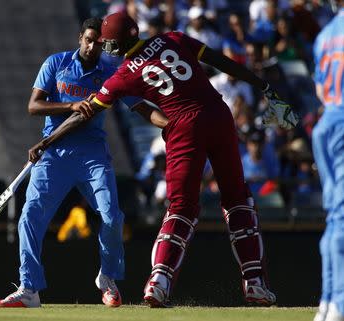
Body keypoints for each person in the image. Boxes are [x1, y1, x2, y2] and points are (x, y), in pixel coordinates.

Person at [28, 12, 299, 307]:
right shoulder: (174, 38)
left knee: (182, 207)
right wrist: (262, 86)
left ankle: (159, 282)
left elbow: (83, 114)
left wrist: (47, 140)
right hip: (219, 116)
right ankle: (256, 283)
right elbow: (220, 61)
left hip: (183, 125)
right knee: (237, 199)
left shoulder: (122, 76)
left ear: (115, 45)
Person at [0, 17, 165, 308]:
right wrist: (70, 105)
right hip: (54, 154)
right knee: (29, 217)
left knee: (112, 216)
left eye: (97, 42)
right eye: (87, 40)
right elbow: (33, 106)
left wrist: (169, 125)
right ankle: (29, 289)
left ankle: (107, 278)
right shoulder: (56, 63)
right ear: (79, 38)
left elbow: (139, 106)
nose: (91, 46)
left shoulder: (111, 70)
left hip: (92, 155)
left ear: (103, 44)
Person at [312, 2, 344, 321]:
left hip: (328, 124)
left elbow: (321, 89)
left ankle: (329, 300)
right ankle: (339, 304)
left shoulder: (326, 35)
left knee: (336, 216)